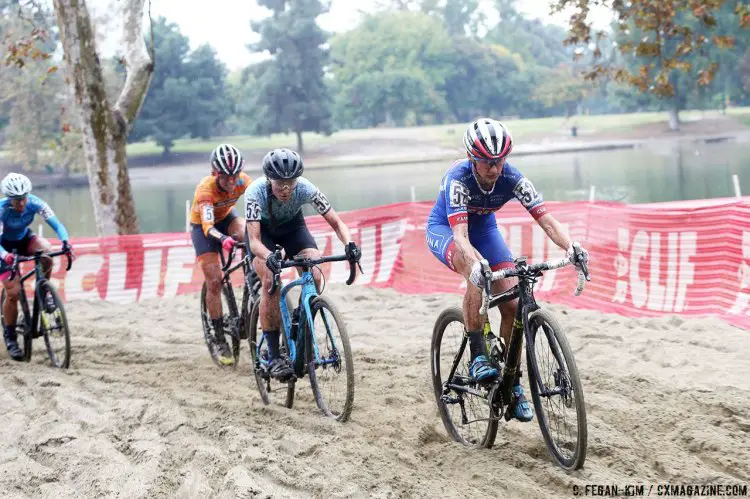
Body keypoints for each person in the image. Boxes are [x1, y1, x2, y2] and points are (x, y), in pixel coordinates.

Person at [425, 118, 590, 422]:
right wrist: (477, 266)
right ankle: (477, 355)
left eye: (500, 161)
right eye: (488, 162)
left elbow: (547, 220)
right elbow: (460, 237)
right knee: (473, 271)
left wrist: (571, 248)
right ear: (473, 160)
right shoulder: (458, 179)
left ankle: (512, 383)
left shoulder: (512, 177)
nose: (495, 168)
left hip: (486, 230)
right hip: (447, 230)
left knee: (513, 304)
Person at [244, 148, 361, 380]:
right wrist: (269, 257)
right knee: (271, 280)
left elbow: (337, 223)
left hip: (293, 229)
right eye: (280, 184)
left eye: (291, 183)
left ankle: (301, 317)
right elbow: (255, 241)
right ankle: (275, 354)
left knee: (315, 271)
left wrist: (349, 244)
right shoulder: (255, 193)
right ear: (269, 180)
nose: (286, 189)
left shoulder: (306, 188)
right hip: (263, 236)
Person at [0, 172, 74, 361]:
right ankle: (10, 337)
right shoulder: (1, 210)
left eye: (24, 198)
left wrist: (65, 242)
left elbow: (57, 224)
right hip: (2, 248)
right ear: (9, 199)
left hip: (23, 238)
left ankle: (44, 291)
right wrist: (6, 256)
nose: (22, 203)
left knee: (46, 253)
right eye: (17, 200)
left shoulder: (36, 202)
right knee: (14, 291)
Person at [189, 144, 251, 366]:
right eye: (226, 177)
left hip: (227, 218)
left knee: (249, 235)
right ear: (215, 174)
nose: (232, 182)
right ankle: (218, 336)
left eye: (235, 176)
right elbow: (207, 226)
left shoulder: (243, 181)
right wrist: (223, 239)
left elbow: (261, 200)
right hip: (204, 229)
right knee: (215, 281)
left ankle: (252, 279)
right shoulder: (205, 190)